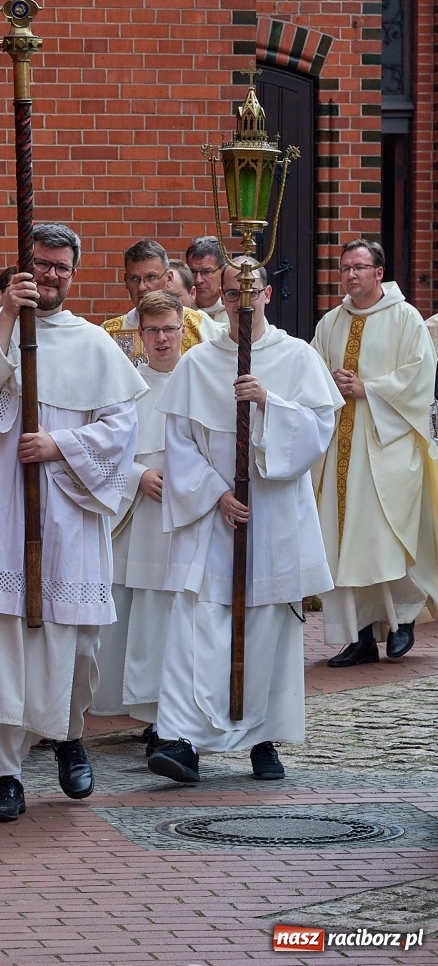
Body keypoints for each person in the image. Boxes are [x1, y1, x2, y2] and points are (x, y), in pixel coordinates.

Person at [0, 222, 146, 822]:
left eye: (62, 268)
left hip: (68, 517)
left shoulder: (94, 344)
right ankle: (5, 774)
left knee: (72, 644)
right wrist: (5, 318)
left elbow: (122, 431)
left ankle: (69, 736)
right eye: (42, 264)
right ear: (23, 269)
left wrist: (60, 445)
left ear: (74, 274)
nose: (51, 276)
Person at [147, 259, 342, 784]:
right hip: (213, 519)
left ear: (269, 296)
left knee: (268, 631)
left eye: (249, 295)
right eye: (232, 295)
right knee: (196, 627)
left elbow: (319, 428)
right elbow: (180, 441)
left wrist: (268, 402)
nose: (240, 305)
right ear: (222, 298)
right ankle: (182, 740)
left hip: (274, 517)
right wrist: (216, 493)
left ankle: (263, 738)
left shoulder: (296, 356)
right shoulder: (198, 362)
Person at [311, 238, 438, 666]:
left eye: (359, 267)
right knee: (345, 543)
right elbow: (312, 373)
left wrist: (368, 388)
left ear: (379, 273)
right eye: (345, 267)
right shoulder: (330, 322)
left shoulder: (405, 319)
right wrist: (330, 382)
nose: (350, 275)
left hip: (387, 450)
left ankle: (401, 622)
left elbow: (420, 379)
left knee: (384, 540)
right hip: (340, 450)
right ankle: (361, 636)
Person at [90, 291, 183, 750]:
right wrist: (138, 475)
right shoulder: (129, 387)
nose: (162, 338)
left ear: (184, 329)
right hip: (136, 517)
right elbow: (106, 448)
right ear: (140, 335)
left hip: (185, 519)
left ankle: (171, 715)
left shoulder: (199, 380)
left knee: (173, 616)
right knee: (135, 613)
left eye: (169, 329)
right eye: (152, 330)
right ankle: (145, 709)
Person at [102, 238, 218, 362]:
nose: (142, 287)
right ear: (125, 280)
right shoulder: (109, 332)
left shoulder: (198, 324)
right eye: (134, 278)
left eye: (151, 277)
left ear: (169, 278)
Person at [185, 235, 229, 326]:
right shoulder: (180, 310)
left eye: (207, 272)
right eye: (192, 271)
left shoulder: (236, 312)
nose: (198, 280)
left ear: (223, 271)